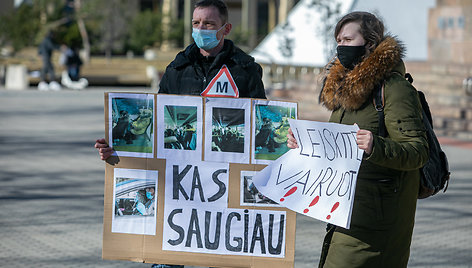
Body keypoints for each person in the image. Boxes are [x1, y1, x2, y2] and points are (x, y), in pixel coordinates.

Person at [95, 1, 266, 267]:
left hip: (223, 185)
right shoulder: (177, 69)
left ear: (226, 28)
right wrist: (117, 148)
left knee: (224, 258)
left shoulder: (246, 71)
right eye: (196, 23)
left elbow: (258, 129)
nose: (201, 29)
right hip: (180, 186)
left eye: (209, 24)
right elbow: (156, 125)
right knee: (166, 260)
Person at [287, 12, 429, 268]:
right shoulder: (347, 88)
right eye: (338, 40)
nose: (341, 47)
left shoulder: (394, 88)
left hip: (378, 220)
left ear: (370, 43)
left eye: (348, 39)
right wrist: (305, 146)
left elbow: (417, 151)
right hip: (344, 212)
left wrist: (376, 145)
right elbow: (337, 148)